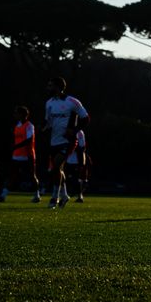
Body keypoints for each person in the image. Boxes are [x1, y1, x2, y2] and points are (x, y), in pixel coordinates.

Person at [42, 76, 89, 209]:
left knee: (56, 166)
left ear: (58, 87)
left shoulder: (72, 101)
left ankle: (54, 197)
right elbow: (48, 122)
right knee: (58, 169)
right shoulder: (49, 103)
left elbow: (86, 118)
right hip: (54, 141)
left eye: (50, 86)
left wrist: (74, 130)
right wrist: (43, 128)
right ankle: (65, 195)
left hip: (68, 141)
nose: (48, 88)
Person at [0, 106, 41, 203]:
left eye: (16, 113)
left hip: (28, 155)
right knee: (12, 175)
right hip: (17, 155)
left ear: (22, 114)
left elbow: (29, 140)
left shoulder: (29, 126)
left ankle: (37, 195)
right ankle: (3, 195)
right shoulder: (17, 125)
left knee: (32, 176)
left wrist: (16, 146)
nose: (15, 115)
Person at [66, 128, 89, 203]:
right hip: (68, 158)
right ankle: (69, 193)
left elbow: (82, 147)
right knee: (67, 178)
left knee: (76, 178)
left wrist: (72, 146)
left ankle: (80, 195)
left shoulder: (79, 132)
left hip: (76, 160)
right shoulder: (67, 129)